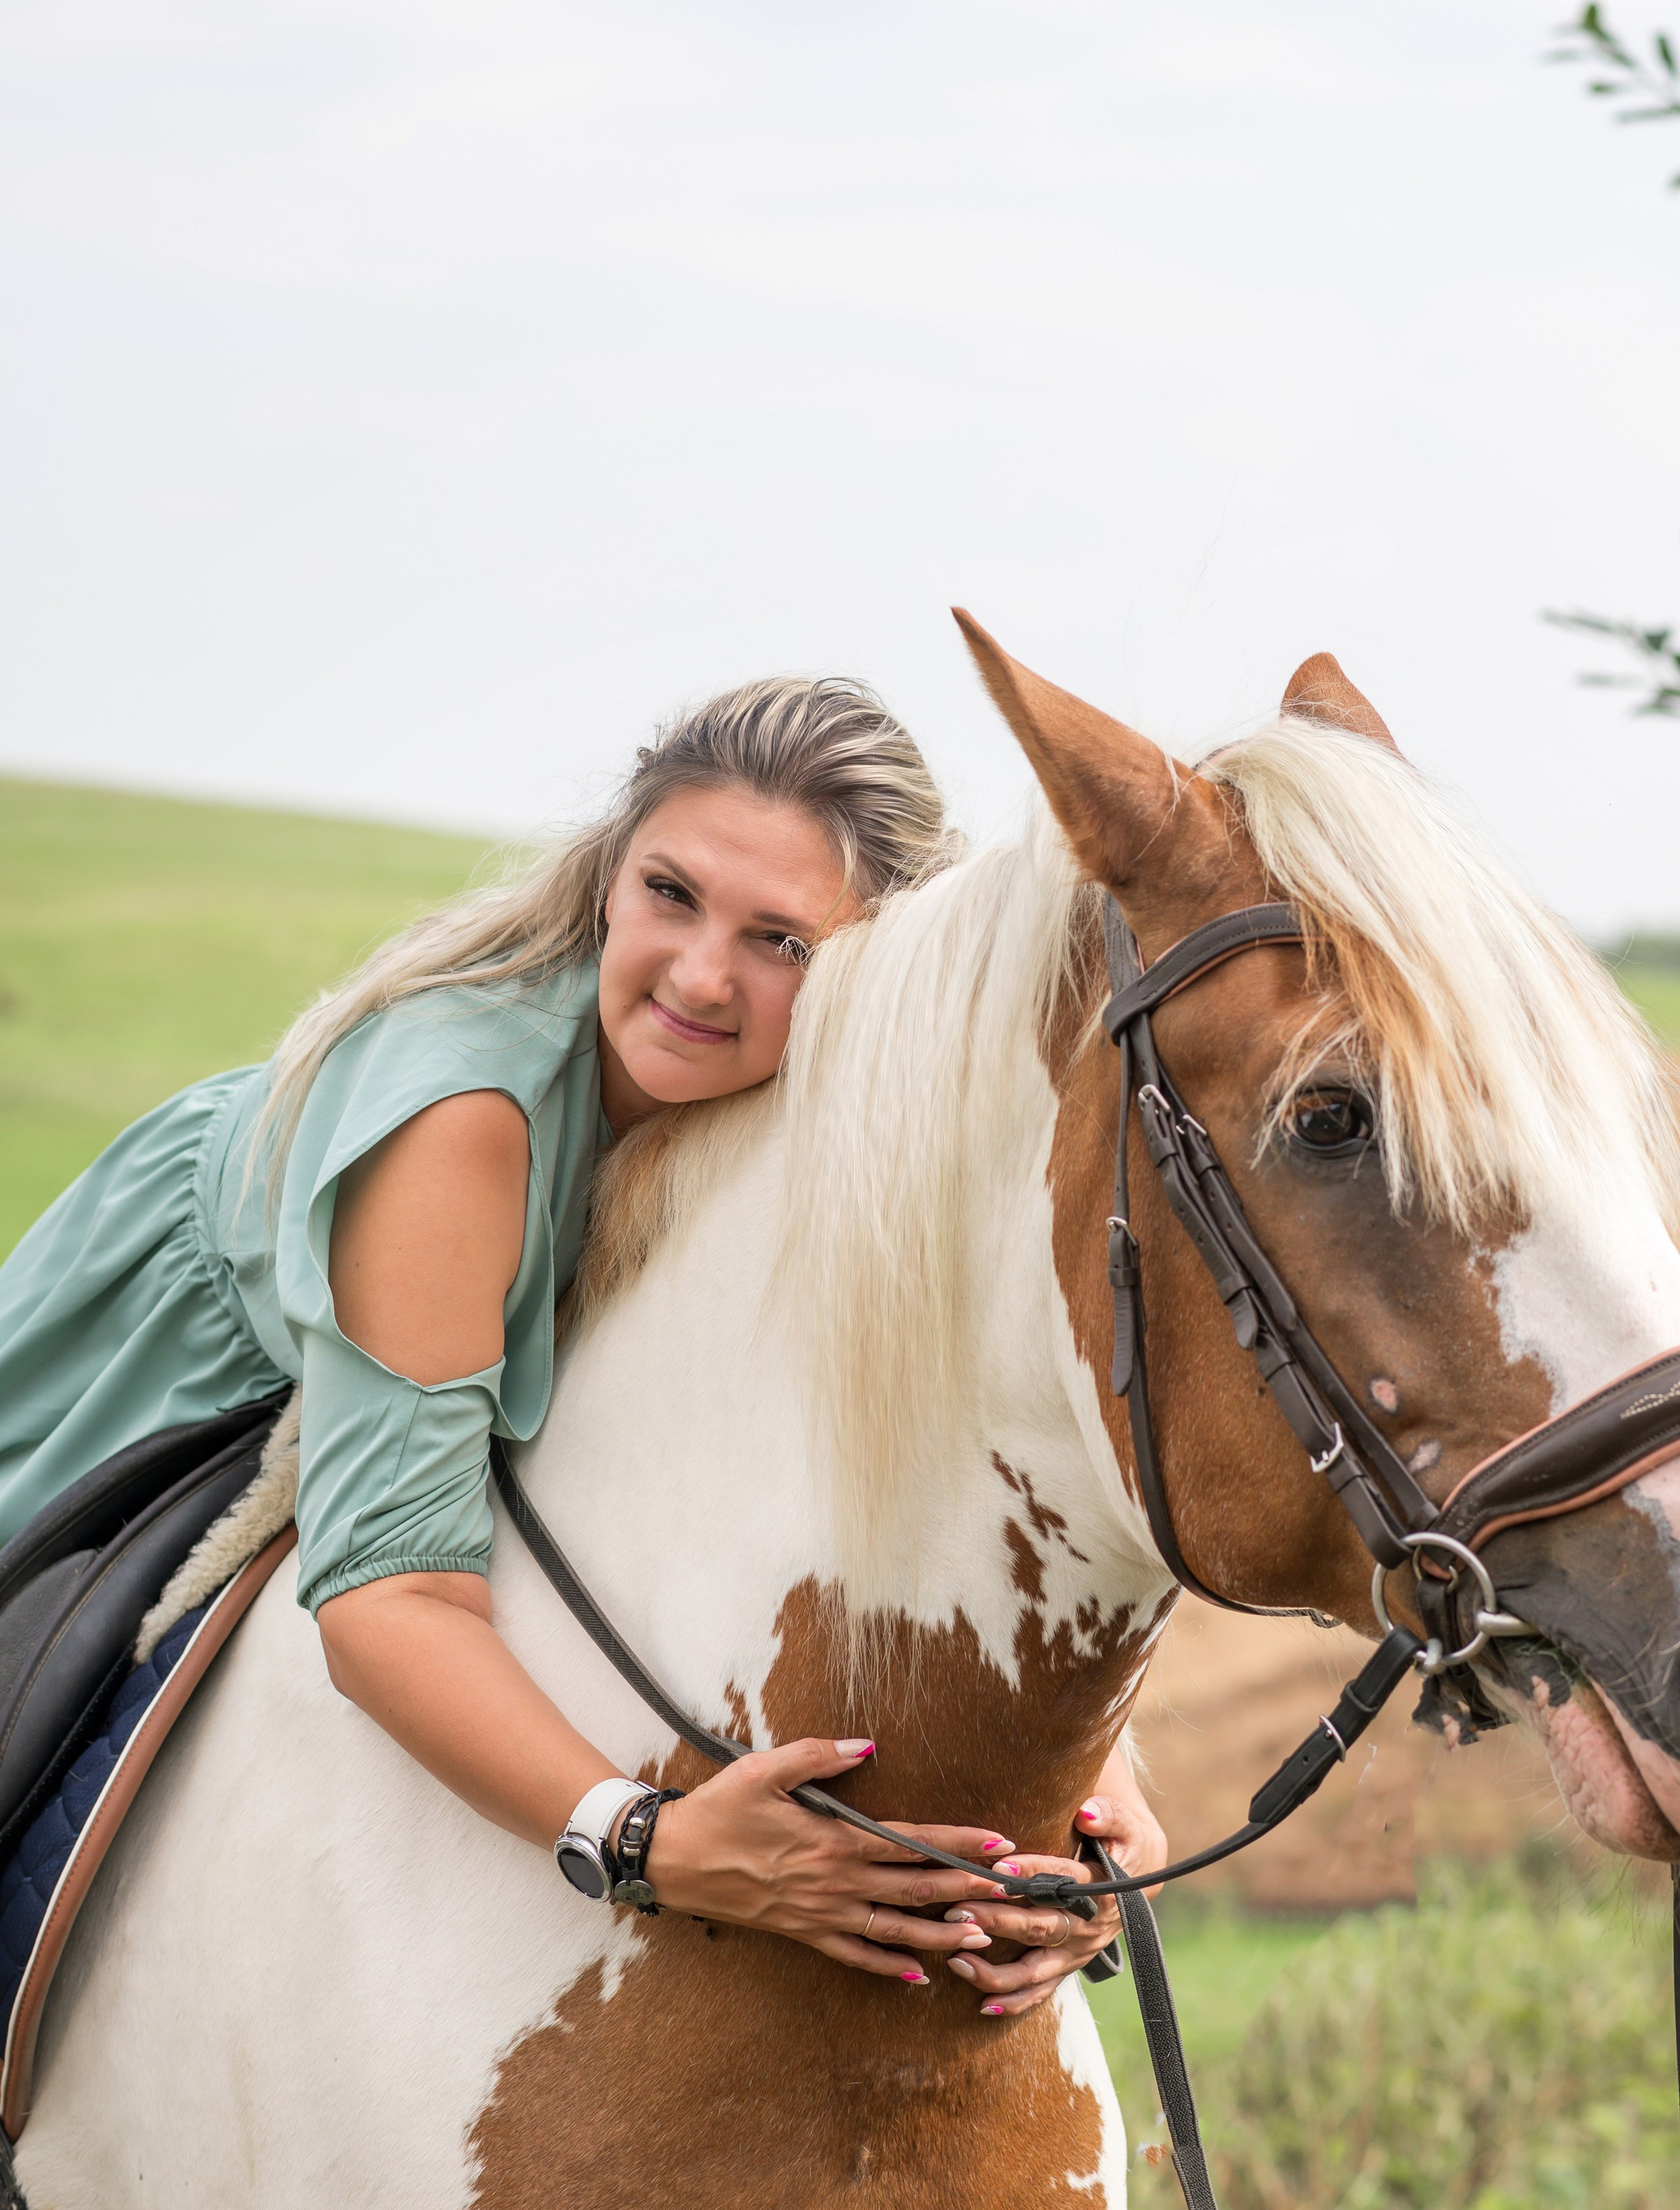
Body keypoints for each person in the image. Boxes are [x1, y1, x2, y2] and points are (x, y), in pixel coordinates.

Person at [0, 676, 1163, 2013]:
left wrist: (1097, 1778)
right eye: (672, 892)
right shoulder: (462, 1120)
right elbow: (389, 1604)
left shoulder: (824, 1113)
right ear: (613, 874)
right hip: (156, 1396)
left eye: (781, 941)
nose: (701, 976)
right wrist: (646, 1843)